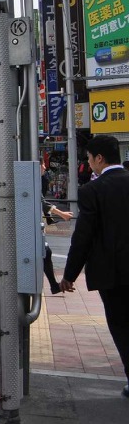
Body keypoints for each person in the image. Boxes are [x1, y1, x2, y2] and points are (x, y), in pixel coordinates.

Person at [59, 135, 129, 398]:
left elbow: (83, 238)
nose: (89, 164)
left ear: (99, 158)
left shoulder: (92, 191)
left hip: (113, 274)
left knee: (121, 326)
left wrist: (69, 275)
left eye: (89, 159)